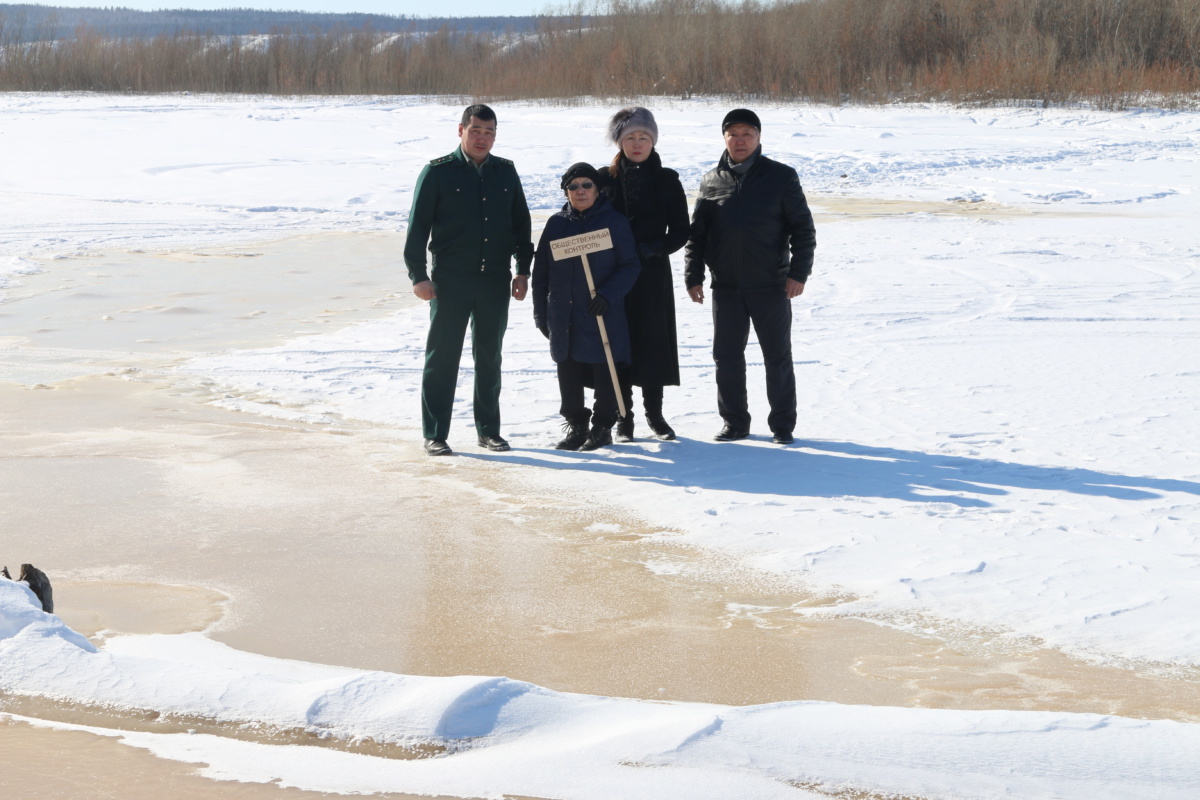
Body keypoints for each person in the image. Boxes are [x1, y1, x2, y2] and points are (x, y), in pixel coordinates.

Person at [403, 104, 534, 456]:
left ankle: (489, 430)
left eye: (489, 132)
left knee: (489, 357)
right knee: (442, 358)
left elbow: (521, 226)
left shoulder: (506, 173)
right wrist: (419, 276)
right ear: (459, 130)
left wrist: (522, 270)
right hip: (449, 282)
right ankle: (435, 433)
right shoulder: (437, 173)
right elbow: (416, 231)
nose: (482, 138)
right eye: (475, 130)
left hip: (493, 280)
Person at [684, 108, 817, 444]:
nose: (740, 140)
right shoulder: (711, 180)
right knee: (726, 357)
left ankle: (783, 425)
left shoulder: (781, 177)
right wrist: (693, 276)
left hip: (771, 284)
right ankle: (735, 422)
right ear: (724, 138)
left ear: (758, 137)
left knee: (777, 356)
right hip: (726, 287)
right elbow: (697, 235)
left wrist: (798, 273)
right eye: (734, 134)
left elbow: (803, 230)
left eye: (747, 134)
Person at [595, 106, 690, 442]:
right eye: (630, 137)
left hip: (651, 276)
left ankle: (655, 414)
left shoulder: (666, 180)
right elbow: (582, 216)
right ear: (619, 142)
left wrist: (654, 248)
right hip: (611, 276)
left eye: (644, 137)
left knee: (652, 342)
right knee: (618, 343)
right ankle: (624, 417)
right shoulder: (602, 180)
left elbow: (681, 230)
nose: (637, 144)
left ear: (653, 141)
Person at [532, 163, 641, 451]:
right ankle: (576, 427)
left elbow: (630, 265)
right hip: (563, 312)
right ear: (566, 192)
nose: (580, 191)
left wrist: (608, 294)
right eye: (573, 186)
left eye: (586, 185)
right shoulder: (556, 223)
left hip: (600, 310)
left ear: (597, 188)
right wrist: (540, 314)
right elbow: (541, 271)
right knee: (567, 369)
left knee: (604, 366)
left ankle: (602, 427)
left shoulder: (614, 222)